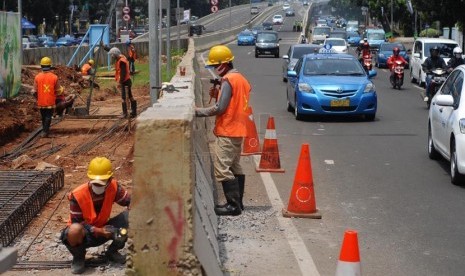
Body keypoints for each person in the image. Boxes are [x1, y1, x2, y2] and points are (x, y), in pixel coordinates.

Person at [195, 45, 251, 216]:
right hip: (238, 129)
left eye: (214, 66)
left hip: (228, 129)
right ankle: (239, 203)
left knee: (222, 168)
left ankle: (233, 206)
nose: (214, 70)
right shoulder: (240, 78)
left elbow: (220, 108)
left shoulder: (228, 80)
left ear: (223, 64)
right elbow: (235, 99)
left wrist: (198, 111)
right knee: (234, 166)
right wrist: (219, 91)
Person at [60, 157, 131, 274]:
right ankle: (79, 257)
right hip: (85, 234)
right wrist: (98, 230)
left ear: (110, 179)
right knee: (74, 230)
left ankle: (112, 252)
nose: (98, 185)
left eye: (102, 182)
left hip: (104, 227)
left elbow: (129, 200)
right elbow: (77, 222)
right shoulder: (77, 195)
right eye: (95, 182)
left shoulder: (114, 187)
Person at [32, 56, 62, 138]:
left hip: (41, 101)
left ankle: (44, 130)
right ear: (50, 66)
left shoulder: (37, 77)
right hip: (50, 101)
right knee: (49, 116)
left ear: (41, 66)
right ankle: (45, 131)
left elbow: (34, 91)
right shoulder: (54, 77)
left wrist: (37, 98)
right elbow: (58, 91)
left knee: (43, 116)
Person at [106, 47, 137, 118]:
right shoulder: (121, 57)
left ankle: (125, 113)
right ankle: (133, 112)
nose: (111, 56)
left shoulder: (121, 61)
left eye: (112, 55)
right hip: (127, 81)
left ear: (115, 55)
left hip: (125, 81)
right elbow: (113, 50)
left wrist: (120, 83)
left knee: (124, 98)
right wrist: (105, 48)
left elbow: (123, 73)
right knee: (130, 96)